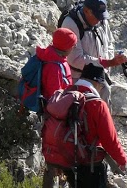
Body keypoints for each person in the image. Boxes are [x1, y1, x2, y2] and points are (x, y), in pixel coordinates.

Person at [43, 63, 127, 188]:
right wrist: (121, 160)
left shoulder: (65, 96)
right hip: (90, 164)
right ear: (98, 83)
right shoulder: (97, 105)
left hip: (67, 159)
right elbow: (109, 139)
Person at [61, 0, 127, 103]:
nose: (99, 20)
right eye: (97, 16)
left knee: (103, 103)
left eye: (102, 16)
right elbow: (75, 59)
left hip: (100, 73)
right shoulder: (71, 24)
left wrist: (109, 60)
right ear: (86, 11)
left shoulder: (101, 20)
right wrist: (106, 62)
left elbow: (109, 42)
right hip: (78, 77)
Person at [36, 28, 78, 188]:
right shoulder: (54, 66)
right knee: (55, 158)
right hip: (56, 119)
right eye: (72, 45)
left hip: (56, 117)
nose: (74, 48)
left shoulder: (56, 57)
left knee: (56, 159)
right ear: (65, 46)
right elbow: (55, 98)